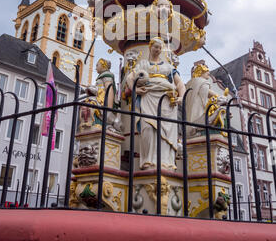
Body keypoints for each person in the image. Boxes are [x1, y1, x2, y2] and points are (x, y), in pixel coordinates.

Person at [127, 38, 186, 170]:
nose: (158, 50)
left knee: (167, 131)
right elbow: (130, 78)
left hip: (166, 101)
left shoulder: (168, 67)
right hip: (148, 97)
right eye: (155, 47)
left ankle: (167, 162)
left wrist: (181, 97)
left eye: (160, 48)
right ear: (150, 47)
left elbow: (180, 84)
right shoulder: (143, 64)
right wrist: (135, 89)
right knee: (147, 128)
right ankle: (148, 160)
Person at [185, 64, 228, 137]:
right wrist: (221, 97)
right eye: (207, 71)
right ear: (201, 72)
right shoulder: (202, 81)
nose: (209, 73)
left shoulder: (189, 83)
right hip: (199, 108)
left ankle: (191, 131)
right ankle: (195, 131)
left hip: (189, 109)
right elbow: (206, 93)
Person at [80, 58, 122, 132]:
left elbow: (109, 90)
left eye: (97, 65)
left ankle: (96, 124)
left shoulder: (107, 76)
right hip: (99, 98)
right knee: (87, 103)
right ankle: (88, 124)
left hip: (102, 101)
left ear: (103, 66)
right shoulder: (102, 76)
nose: (95, 67)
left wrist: (108, 108)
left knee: (90, 104)